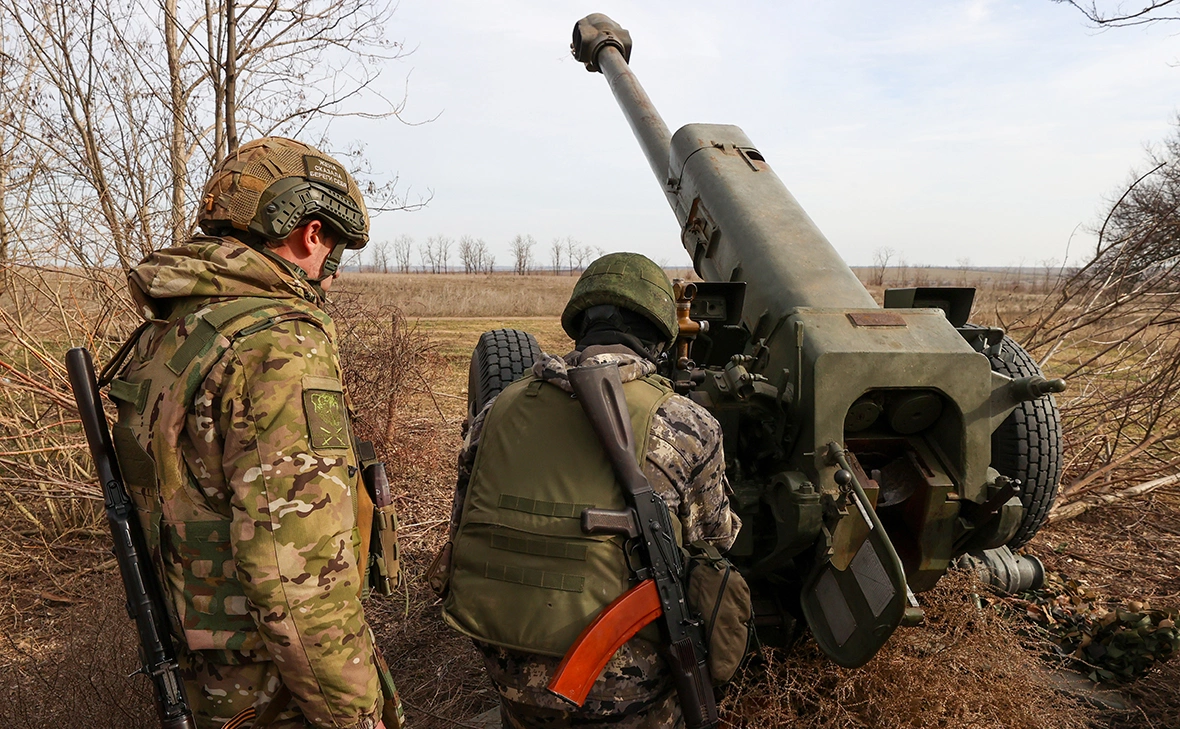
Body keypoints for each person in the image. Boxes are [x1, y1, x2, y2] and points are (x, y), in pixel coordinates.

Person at [104, 137, 400, 729]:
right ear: (310, 234)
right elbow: (298, 582)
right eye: (334, 252)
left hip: (205, 675)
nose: (331, 274)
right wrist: (358, 717)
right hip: (274, 691)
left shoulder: (181, 328)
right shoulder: (279, 346)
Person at [435, 253, 742, 728]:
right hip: (621, 692)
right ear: (660, 339)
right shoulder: (685, 423)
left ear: (580, 328)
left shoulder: (496, 411)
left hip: (504, 664)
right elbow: (715, 547)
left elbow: (460, 525)